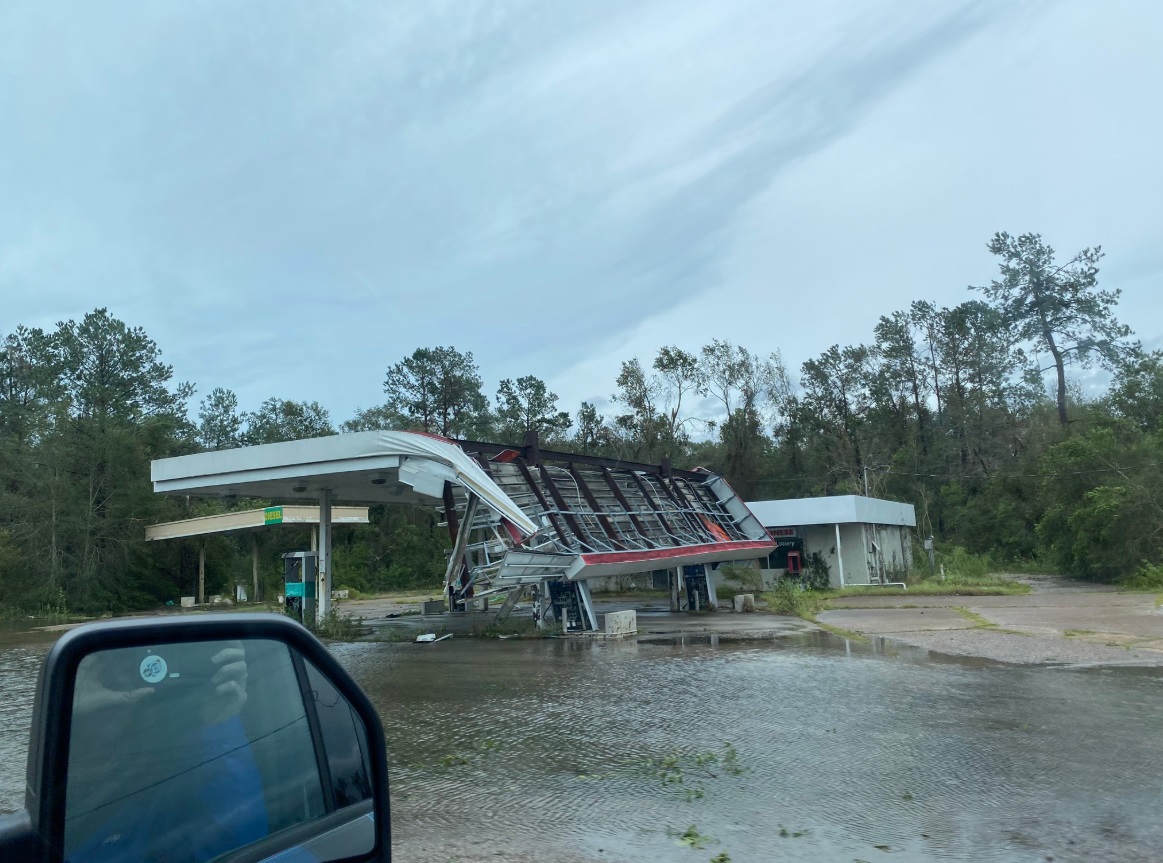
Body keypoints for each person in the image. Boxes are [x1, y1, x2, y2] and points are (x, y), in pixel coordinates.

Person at [64, 641, 270, 863]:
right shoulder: (72, 764)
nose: (125, 683)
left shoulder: (168, 775)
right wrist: (67, 712)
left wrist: (219, 722)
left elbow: (237, 845)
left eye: (135, 666)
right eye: (112, 671)